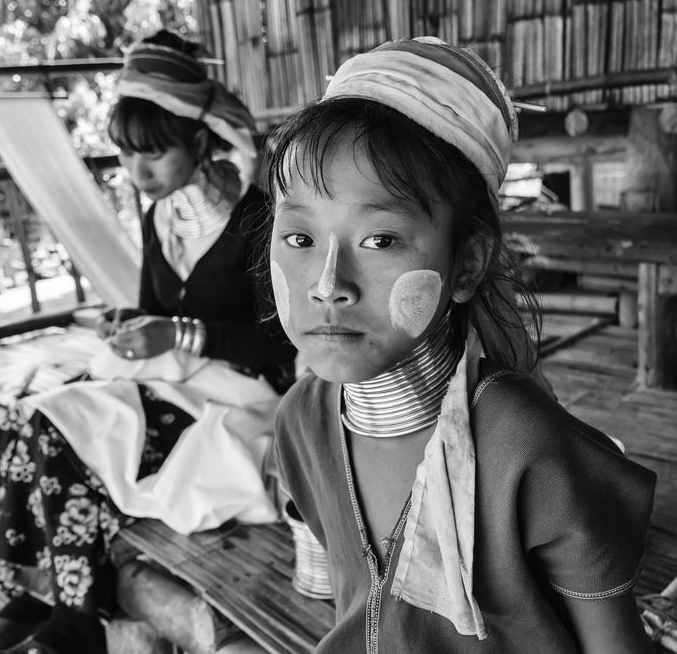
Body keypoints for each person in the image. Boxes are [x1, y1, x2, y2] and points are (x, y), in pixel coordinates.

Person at [268, 37, 657, 653]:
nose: (327, 285)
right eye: (298, 238)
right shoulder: (300, 424)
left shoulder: (526, 447)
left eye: (381, 240)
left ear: (467, 266)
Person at [0, 30, 295, 654]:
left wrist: (177, 333)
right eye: (124, 154)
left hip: (237, 399)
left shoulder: (259, 217)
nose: (136, 172)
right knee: (27, 421)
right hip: (170, 382)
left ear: (199, 141)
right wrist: (132, 322)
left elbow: (280, 343)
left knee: (60, 425)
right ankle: (52, 600)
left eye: (154, 154)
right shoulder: (158, 216)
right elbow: (152, 311)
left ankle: (63, 611)